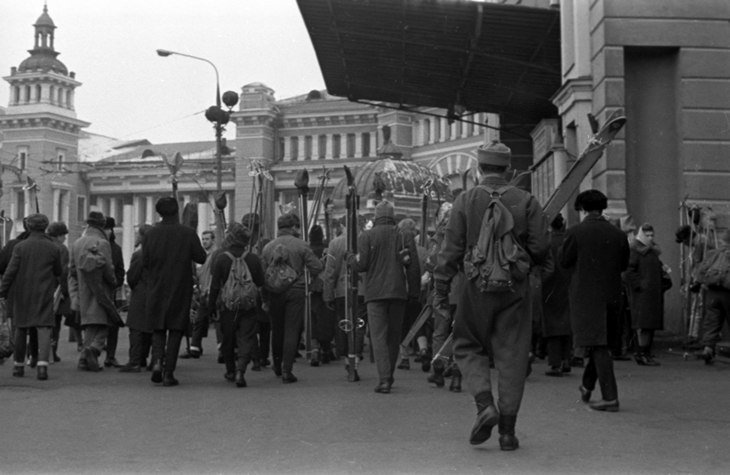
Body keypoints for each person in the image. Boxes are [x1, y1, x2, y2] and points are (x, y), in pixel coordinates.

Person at [434, 141, 548, 450]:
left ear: (479, 169)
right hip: (515, 288)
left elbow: (451, 250)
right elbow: (540, 247)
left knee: (467, 344)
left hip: (475, 287)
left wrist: (442, 287)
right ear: (508, 169)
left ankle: (485, 405)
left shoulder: (465, 199)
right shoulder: (526, 200)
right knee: (512, 355)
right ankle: (508, 434)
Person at [560, 189, 629, 413]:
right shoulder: (618, 235)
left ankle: (610, 398)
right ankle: (587, 385)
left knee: (598, 345)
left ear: (582, 209)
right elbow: (624, 264)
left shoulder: (575, 232)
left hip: (586, 297)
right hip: (612, 295)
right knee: (601, 343)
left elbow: (564, 261)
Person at [351, 200, 421, 394]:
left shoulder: (367, 236)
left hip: (374, 293)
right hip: (398, 292)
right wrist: (414, 292)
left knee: (378, 337)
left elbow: (362, 265)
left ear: (376, 216)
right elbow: (413, 267)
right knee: (393, 336)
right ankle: (388, 374)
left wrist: (350, 259)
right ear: (392, 216)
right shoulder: (403, 235)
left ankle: (384, 379)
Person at [143, 197, 207, 386]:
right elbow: (201, 257)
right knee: (176, 328)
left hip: (156, 286)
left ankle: (157, 361)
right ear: (177, 210)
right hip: (180, 286)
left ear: (159, 212)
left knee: (158, 328)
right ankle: (168, 373)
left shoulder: (151, 234)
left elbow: (145, 261)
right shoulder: (187, 233)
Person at [261, 213, 322, 383]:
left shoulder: (268, 247)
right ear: (293, 227)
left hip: (274, 291)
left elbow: (262, 274)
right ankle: (287, 370)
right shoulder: (301, 245)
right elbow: (317, 267)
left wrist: (265, 298)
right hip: (296, 290)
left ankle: (277, 365)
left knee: (277, 329)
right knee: (292, 330)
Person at [0, 214, 62, 380]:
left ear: (28, 226)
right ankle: (42, 367)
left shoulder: (20, 247)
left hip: (23, 292)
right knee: (44, 328)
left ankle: (18, 366)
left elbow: (10, 272)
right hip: (44, 292)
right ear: (45, 227)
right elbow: (58, 271)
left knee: (21, 328)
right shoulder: (53, 247)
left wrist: (2, 291)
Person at [207, 223, 265, 387]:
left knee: (228, 338)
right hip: (248, 305)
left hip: (228, 305)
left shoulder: (222, 258)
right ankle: (241, 370)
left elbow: (215, 286)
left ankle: (230, 370)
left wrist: (211, 306)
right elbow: (260, 281)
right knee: (246, 337)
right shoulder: (253, 259)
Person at [69, 211, 118, 372]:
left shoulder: (77, 243)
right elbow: (108, 268)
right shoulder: (102, 243)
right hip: (100, 289)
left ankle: (84, 360)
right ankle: (93, 349)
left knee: (91, 325)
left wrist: (75, 291)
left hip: (83, 290)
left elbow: (72, 270)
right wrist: (113, 282)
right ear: (102, 225)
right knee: (105, 322)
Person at [323, 217, 367, 382]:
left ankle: (348, 359)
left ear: (342, 225)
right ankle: (356, 360)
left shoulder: (335, 243)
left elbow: (330, 272)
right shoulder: (366, 240)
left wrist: (328, 294)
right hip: (363, 290)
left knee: (344, 324)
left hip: (341, 290)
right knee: (360, 324)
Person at [626, 223, 670, 366]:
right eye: (647, 235)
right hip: (643, 294)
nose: (650, 238)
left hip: (652, 292)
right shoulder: (635, 250)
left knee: (649, 325)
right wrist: (640, 285)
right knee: (643, 325)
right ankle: (642, 353)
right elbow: (628, 271)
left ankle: (645, 352)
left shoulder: (651, 251)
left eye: (652, 235)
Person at [541, 214, 573, 376]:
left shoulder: (547, 243)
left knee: (552, 325)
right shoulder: (568, 241)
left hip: (550, 287)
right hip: (568, 285)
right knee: (566, 324)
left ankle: (555, 363)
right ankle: (566, 359)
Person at [119, 225, 153, 372]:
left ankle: (135, 361)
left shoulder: (139, 255)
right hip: (154, 294)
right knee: (150, 329)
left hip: (140, 294)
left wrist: (133, 287)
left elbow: (132, 276)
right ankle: (148, 359)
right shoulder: (159, 253)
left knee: (136, 329)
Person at [694, 229, 730, 365]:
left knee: (712, 321)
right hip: (728, 293)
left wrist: (699, 283)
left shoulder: (712, 254)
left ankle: (708, 349)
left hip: (712, 293)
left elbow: (701, 271)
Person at [184, 229, 217, 359]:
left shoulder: (214, 255)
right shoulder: (205, 255)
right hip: (204, 291)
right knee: (200, 320)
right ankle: (195, 346)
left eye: (207, 239)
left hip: (209, 291)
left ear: (213, 240)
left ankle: (195, 347)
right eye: (203, 239)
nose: (204, 242)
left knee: (207, 319)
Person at [46, 221, 70, 363]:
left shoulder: (44, 246)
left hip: (41, 289)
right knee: (55, 323)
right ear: (58, 235)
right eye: (63, 235)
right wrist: (65, 291)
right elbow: (63, 272)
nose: (65, 238)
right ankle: (52, 352)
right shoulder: (62, 249)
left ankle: (35, 352)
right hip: (56, 290)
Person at [103, 216, 125, 368]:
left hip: (110, 292)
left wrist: (116, 283)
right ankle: (93, 354)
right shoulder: (111, 247)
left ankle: (110, 356)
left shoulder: (115, 249)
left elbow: (120, 270)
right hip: (101, 291)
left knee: (112, 325)